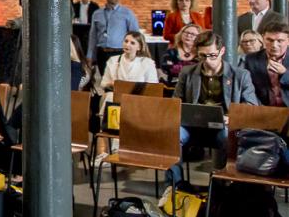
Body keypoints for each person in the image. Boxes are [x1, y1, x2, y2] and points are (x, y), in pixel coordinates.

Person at [170, 31, 258, 183]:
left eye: (212, 55)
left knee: (228, 138)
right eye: (202, 56)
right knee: (172, 135)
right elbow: (175, 102)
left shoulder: (240, 75)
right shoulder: (187, 73)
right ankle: (175, 184)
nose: (207, 60)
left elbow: (251, 106)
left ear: (222, 51)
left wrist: (230, 118)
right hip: (193, 126)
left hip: (223, 126)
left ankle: (226, 183)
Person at [98, 31, 158, 108]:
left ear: (139, 47)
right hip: (116, 97)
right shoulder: (113, 60)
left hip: (138, 99)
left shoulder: (147, 63)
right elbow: (103, 83)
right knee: (109, 96)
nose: (127, 44)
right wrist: (110, 84)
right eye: (126, 41)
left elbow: (153, 87)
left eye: (132, 43)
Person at [87, 0, 140, 71]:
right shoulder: (97, 14)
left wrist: (134, 55)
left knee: (120, 78)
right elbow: (93, 36)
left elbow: (136, 35)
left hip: (120, 53)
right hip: (102, 53)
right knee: (105, 79)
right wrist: (89, 55)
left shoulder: (127, 13)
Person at [242, 21, 289, 107]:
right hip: (263, 109)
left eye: (280, 41)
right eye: (270, 40)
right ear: (263, 38)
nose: (274, 45)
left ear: (288, 41)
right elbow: (248, 89)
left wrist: (285, 73)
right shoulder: (251, 59)